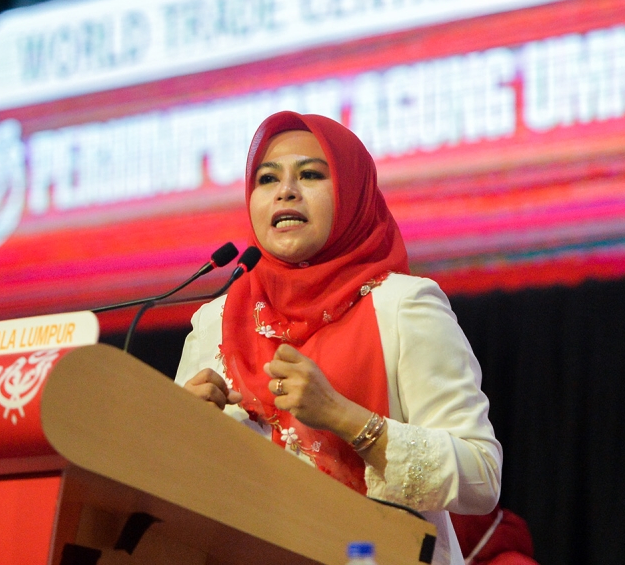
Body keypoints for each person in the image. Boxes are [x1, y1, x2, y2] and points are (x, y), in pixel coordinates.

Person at [175, 111, 502, 565]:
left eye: (310, 174)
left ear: (352, 193)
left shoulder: (405, 307)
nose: (286, 190)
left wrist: (345, 418)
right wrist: (180, 430)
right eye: (267, 179)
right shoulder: (216, 321)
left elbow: (481, 477)